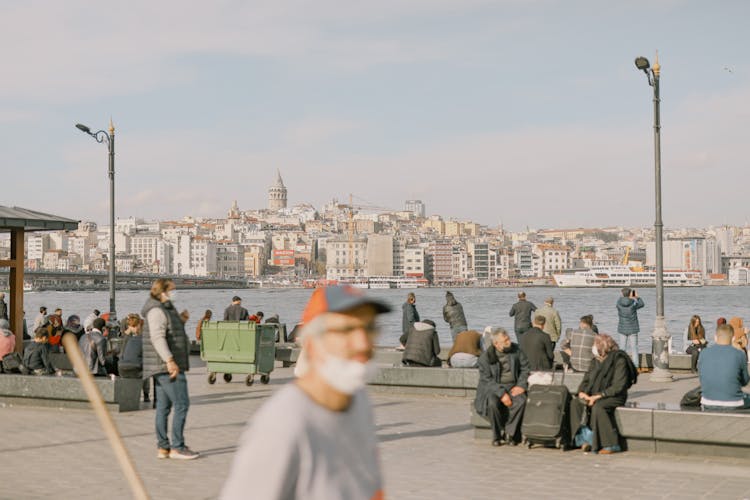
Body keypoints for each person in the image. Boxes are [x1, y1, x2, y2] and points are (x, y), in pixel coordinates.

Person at [221, 285, 390, 499]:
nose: (363, 343)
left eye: (369, 328)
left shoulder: (358, 400)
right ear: (311, 344)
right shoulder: (284, 426)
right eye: (346, 330)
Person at [142, 278, 198, 460]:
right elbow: (158, 338)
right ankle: (177, 446)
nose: (175, 292)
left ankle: (163, 447)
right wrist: (170, 360)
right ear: (162, 291)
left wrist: (181, 321)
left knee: (163, 407)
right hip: (167, 366)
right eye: (172, 289)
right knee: (182, 404)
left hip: (162, 365)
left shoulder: (164, 308)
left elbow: (168, 331)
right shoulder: (157, 310)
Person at [569, 334, 637, 454]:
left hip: (614, 396)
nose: (593, 348)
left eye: (596, 345)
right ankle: (584, 440)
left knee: (598, 407)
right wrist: (582, 393)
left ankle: (611, 444)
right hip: (594, 394)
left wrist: (598, 396)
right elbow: (586, 379)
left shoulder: (619, 360)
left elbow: (618, 386)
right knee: (575, 404)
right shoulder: (595, 361)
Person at [475, 327, 530, 446]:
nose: (509, 341)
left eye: (508, 338)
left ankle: (510, 432)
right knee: (492, 404)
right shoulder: (485, 357)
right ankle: (497, 435)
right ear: (496, 343)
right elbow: (487, 380)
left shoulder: (517, 350)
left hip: (513, 385)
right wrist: (502, 394)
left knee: (521, 401)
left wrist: (521, 385)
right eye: (505, 341)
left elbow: (525, 369)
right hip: (494, 387)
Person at [698, 324, 750, 411]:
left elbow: (702, 377)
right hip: (733, 403)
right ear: (733, 338)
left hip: (707, 401)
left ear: (715, 337)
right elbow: (745, 381)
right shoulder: (739, 354)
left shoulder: (704, 353)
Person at [119, 314, 150, 403]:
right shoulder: (138, 337)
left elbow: (121, 351)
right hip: (134, 365)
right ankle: (146, 394)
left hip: (122, 364)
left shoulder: (126, 336)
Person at [616, 287, 644, 370]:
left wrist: (624, 296)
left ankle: (621, 366)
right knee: (634, 348)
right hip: (633, 329)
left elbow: (620, 300)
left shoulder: (619, 304)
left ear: (622, 294)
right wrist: (637, 297)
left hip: (622, 329)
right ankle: (635, 366)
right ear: (630, 294)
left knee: (622, 348)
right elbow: (642, 304)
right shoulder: (633, 304)